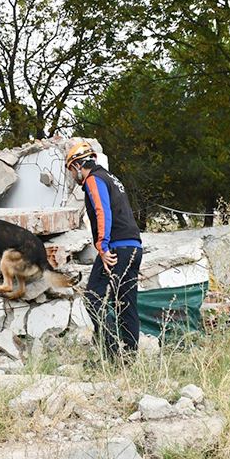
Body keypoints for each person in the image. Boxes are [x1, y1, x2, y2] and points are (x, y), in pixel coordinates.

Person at [65, 140, 143, 360]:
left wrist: (102, 245)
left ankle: (111, 353)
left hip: (116, 248)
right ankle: (129, 358)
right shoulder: (111, 178)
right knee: (126, 304)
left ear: (78, 165)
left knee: (92, 297)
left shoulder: (94, 179)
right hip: (133, 246)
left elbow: (102, 211)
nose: (72, 176)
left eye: (71, 170)